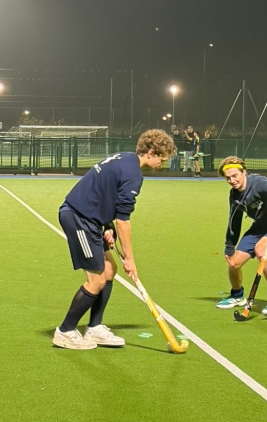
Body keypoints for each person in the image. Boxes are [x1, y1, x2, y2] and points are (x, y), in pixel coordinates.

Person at [53, 129, 176, 350]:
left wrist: (107, 226)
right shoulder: (134, 175)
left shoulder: (125, 158)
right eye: (162, 158)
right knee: (97, 280)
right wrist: (130, 258)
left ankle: (94, 328)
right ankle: (65, 331)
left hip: (90, 218)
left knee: (109, 270)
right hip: (79, 218)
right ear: (150, 152)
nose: (163, 163)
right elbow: (124, 221)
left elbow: (104, 193)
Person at [215, 156, 267, 317]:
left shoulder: (258, 184)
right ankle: (237, 295)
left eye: (235, 176)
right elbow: (234, 221)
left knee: (262, 251)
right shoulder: (235, 195)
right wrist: (229, 246)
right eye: (228, 178)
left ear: (243, 172)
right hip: (260, 227)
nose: (232, 180)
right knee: (234, 263)